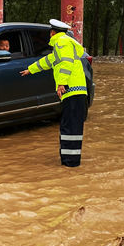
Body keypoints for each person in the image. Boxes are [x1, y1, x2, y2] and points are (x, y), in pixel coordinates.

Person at [20, 19, 88, 167]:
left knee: (70, 127)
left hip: (72, 91)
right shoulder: (63, 44)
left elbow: (65, 63)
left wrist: (62, 83)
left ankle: (70, 163)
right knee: (70, 126)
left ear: (53, 33)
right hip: (74, 92)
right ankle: (69, 161)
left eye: (50, 33)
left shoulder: (61, 42)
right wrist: (30, 69)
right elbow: (48, 61)